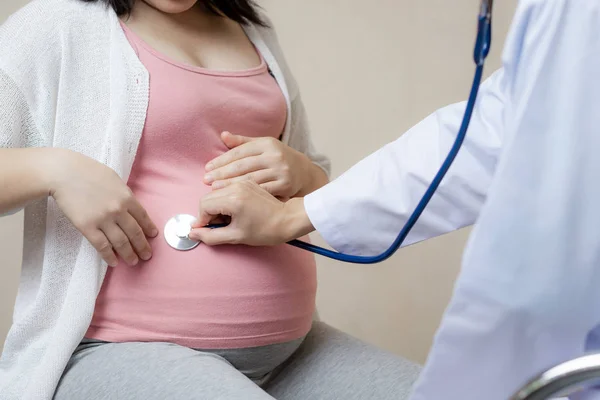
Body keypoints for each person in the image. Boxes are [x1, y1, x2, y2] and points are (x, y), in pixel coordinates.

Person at [0, 0, 421, 399]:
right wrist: (54, 170)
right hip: (122, 349)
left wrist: (305, 173)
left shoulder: (251, 27)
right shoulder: (58, 24)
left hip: (295, 353)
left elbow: (313, 180)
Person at [192, 0, 600, 399]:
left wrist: (301, 200)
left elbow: (509, 129)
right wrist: (300, 213)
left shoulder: (251, 28)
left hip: (295, 349)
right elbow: (494, 132)